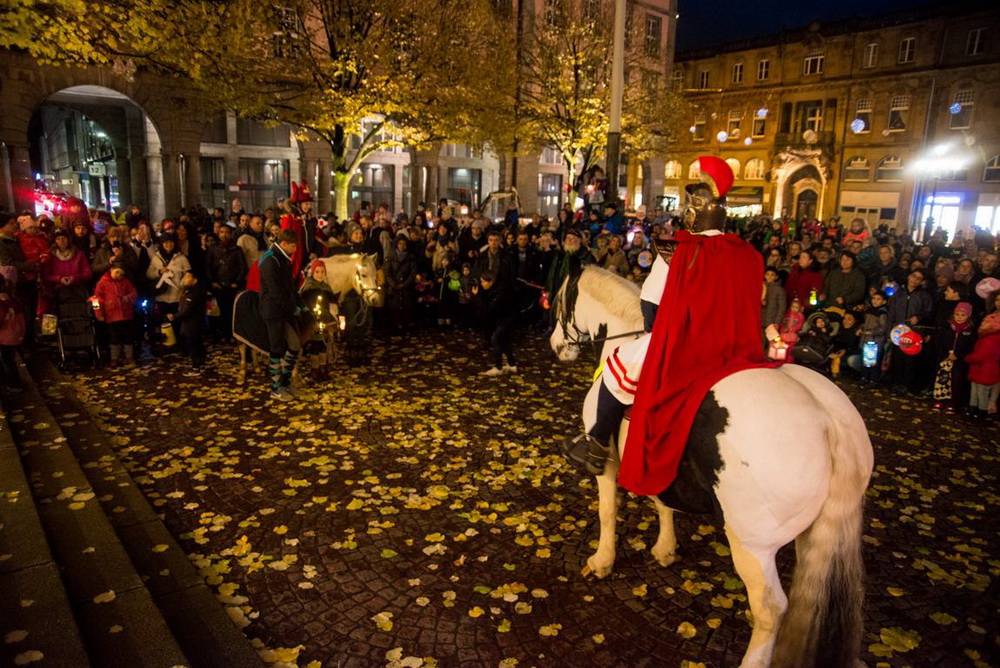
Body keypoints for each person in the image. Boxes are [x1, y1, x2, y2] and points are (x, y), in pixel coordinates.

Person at [563, 156, 775, 492]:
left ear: (694, 211)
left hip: (688, 346)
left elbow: (650, 307)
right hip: (739, 348)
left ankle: (598, 444)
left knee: (617, 368)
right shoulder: (748, 254)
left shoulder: (677, 251)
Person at [259, 230, 302, 400]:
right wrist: (291, 308)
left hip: (284, 309)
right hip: (273, 311)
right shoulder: (270, 260)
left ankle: (285, 382)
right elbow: (275, 290)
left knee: (295, 345)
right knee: (276, 348)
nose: (295, 250)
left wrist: (299, 304)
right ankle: (276, 388)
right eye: (293, 246)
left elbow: (289, 286)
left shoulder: (282, 258)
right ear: (284, 244)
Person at [205, 222, 247, 341]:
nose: (224, 235)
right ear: (218, 234)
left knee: (232, 311)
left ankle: (232, 334)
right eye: (222, 232)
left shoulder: (237, 249)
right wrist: (212, 281)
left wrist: (237, 282)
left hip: (232, 285)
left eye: (227, 232)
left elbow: (242, 267)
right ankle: (222, 334)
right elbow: (208, 266)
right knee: (219, 312)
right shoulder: (213, 249)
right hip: (217, 285)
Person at [91, 260, 138, 366]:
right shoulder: (102, 283)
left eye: (121, 273)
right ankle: (114, 358)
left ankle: (129, 357)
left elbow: (134, 293)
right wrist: (98, 313)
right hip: (111, 316)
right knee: (114, 338)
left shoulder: (125, 282)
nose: (119, 275)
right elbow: (96, 299)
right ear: (111, 270)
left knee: (128, 337)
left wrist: (127, 298)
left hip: (126, 315)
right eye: (117, 272)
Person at [932, 302, 976, 412]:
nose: (959, 317)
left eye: (963, 315)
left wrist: (958, 356)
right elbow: (939, 343)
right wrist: (945, 355)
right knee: (942, 380)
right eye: (957, 314)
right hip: (944, 359)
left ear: (968, 316)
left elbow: (970, 348)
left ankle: (952, 402)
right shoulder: (947, 328)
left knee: (956, 382)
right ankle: (939, 400)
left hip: (959, 362)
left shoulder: (970, 331)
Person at [474, 269, 518, 376]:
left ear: (491, 281)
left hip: (508, 318)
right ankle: (512, 365)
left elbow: (488, 309)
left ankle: (498, 367)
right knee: (504, 341)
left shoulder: (500, 291)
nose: (481, 284)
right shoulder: (493, 289)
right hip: (504, 318)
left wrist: (478, 296)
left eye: (483, 281)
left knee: (496, 339)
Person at [965, 292, 1000, 417]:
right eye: (996, 299)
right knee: (976, 389)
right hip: (982, 366)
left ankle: (981, 411)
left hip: (986, 365)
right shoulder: (986, 334)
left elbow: (985, 353)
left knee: (983, 391)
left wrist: (969, 358)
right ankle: (974, 409)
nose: (998, 302)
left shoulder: (992, 337)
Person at [857, 291, 890, 384]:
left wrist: (871, 332)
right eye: (874, 298)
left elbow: (883, 328)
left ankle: (873, 380)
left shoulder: (882, 313)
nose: (875, 301)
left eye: (878, 299)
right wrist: (860, 328)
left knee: (873, 362)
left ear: (883, 301)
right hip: (866, 339)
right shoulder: (869, 311)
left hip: (875, 341)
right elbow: (865, 323)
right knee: (865, 360)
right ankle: (864, 377)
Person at [0, 272, 25, 390]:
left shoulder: (2, 302)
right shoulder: (11, 298)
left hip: (6, 336)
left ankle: (13, 384)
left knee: (7, 360)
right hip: (14, 334)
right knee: (8, 358)